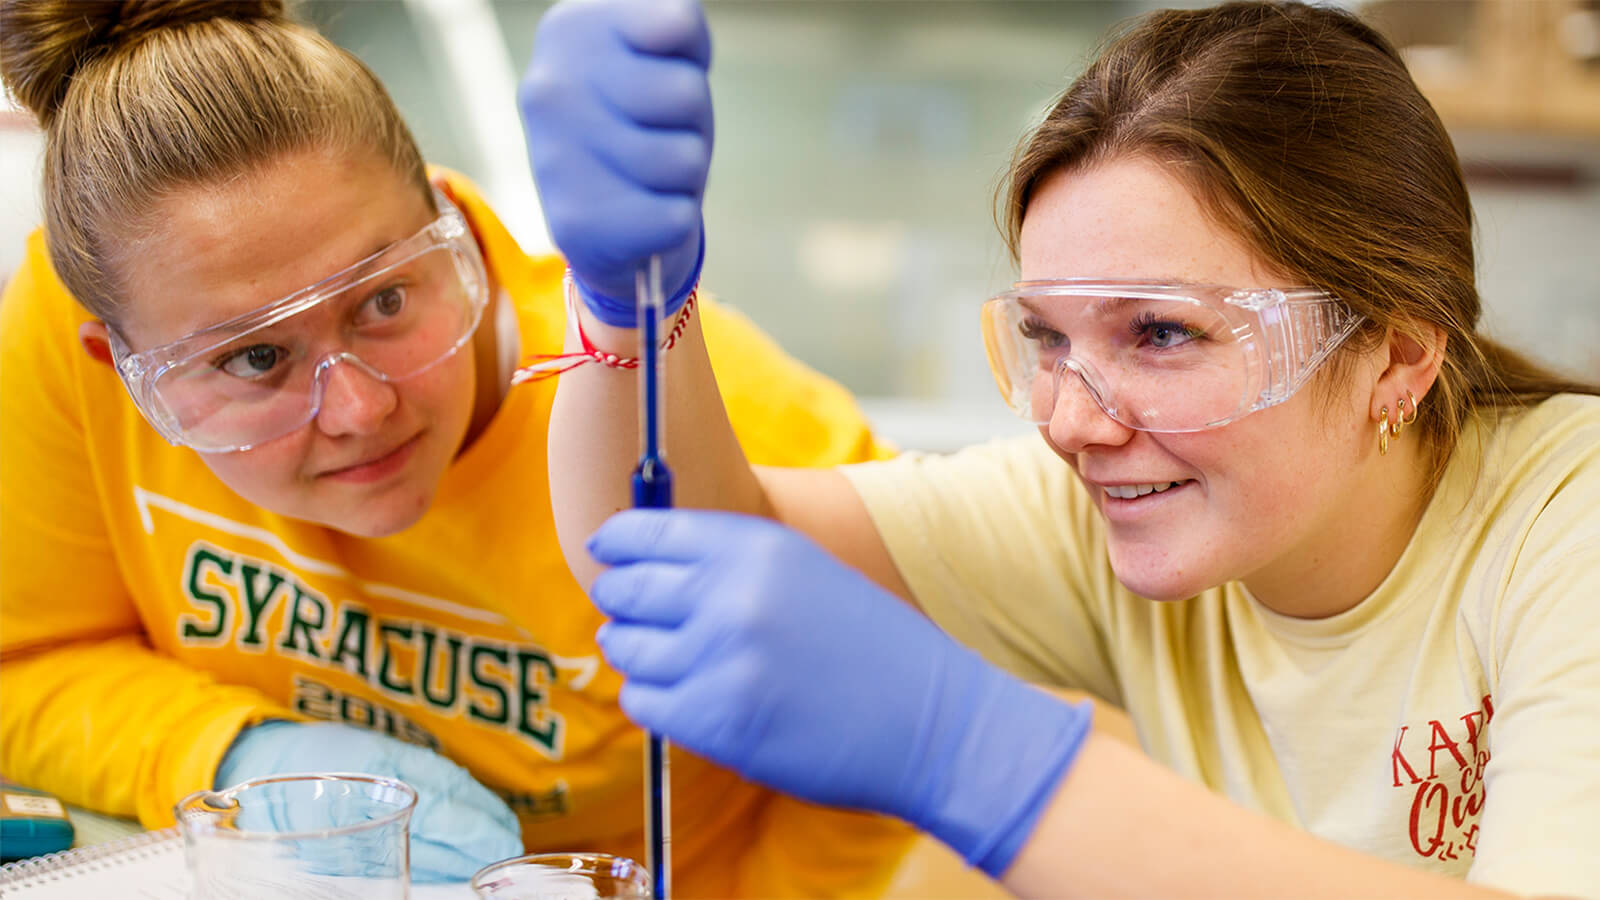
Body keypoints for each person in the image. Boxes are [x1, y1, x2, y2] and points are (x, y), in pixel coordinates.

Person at [522, 0, 1600, 897]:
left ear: (1398, 356)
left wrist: (981, 760)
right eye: (1044, 335)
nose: (1074, 422)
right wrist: (627, 310)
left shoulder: (1567, 524)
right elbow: (675, 550)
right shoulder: (1120, 511)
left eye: (1163, 334)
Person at [0, 0, 921, 893]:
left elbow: (900, 745)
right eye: (255, 357)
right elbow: (27, 665)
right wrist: (234, 754)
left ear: (455, 234)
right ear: (115, 363)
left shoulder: (723, 431)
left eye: (384, 300)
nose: (359, 410)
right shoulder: (72, 322)